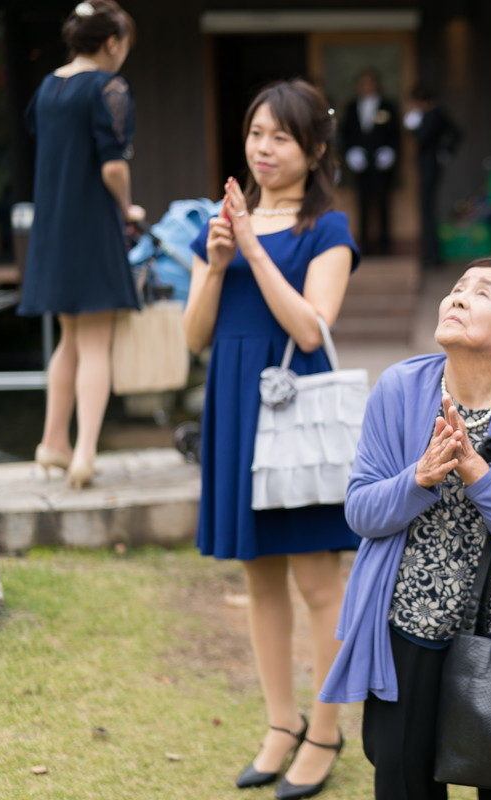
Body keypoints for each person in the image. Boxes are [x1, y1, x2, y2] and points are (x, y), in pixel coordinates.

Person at [320, 256, 491, 800]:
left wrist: (476, 471)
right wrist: (419, 478)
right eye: (456, 287)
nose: (456, 297)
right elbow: (361, 511)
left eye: (481, 293)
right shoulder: (399, 388)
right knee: (404, 779)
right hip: (407, 621)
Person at [183, 79, 360, 800]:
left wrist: (254, 251)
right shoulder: (219, 227)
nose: (263, 148)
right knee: (257, 576)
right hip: (235, 405)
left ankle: (325, 728)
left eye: (280, 136)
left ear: (314, 149)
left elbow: (313, 327)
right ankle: (279, 723)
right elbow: (195, 339)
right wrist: (220, 260)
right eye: (256, 133)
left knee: (319, 584)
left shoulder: (329, 230)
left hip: (295, 417)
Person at [19, 0, 142, 489]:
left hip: (52, 228)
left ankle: (53, 441)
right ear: (111, 43)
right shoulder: (108, 86)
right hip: (92, 226)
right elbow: (113, 165)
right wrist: (129, 207)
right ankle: (85, 453)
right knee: (96, 344)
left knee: (70, 339)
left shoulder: (48, 86)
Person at [340, 69, 400, 255]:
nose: (367, 86)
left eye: (370, 82)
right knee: (362, 203)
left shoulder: (388, 105)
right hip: (361, 162)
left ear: (376, 84)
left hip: (381, 162)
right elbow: (345, 132)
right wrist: (350, 152)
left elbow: (395, 132)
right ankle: (365, 246)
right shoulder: (351, 106)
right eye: (363, 83)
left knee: (383, 203)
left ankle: (384, 246)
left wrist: (390, 151)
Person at [404, 85, 461, 268]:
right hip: (427, 164)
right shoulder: (433, 114)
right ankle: (430, 254)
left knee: (428, 209)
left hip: (431, 165)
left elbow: (423, 138)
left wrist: (446, 151)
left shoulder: (434, 114)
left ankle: (432, 256)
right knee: (426, 208)